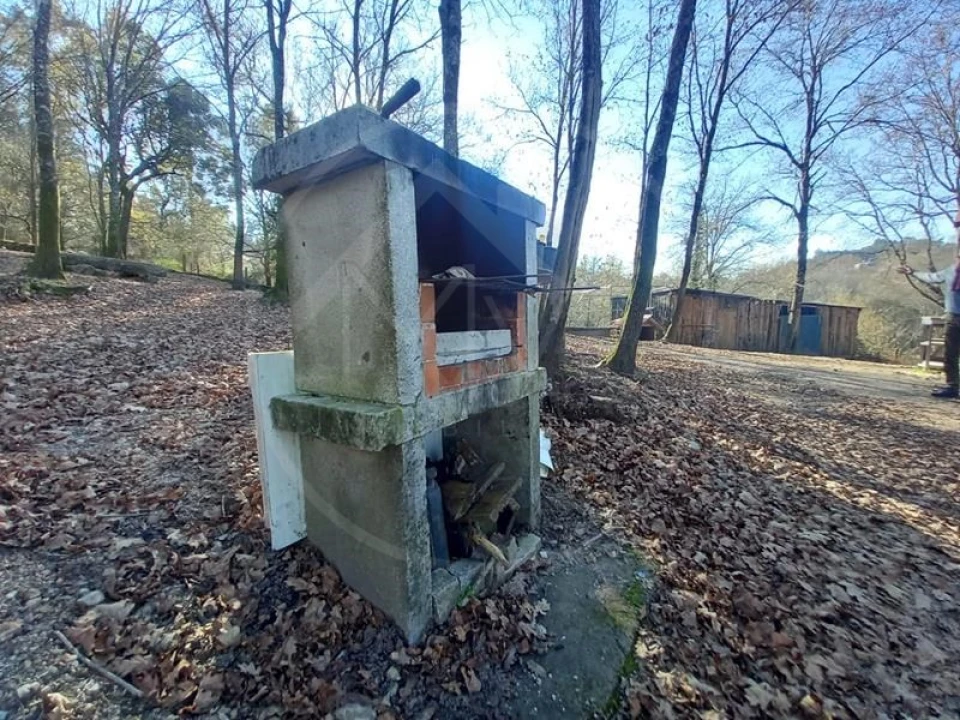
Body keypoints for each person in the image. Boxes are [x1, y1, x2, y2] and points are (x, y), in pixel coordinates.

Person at [899, 255, 960, 399]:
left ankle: (952, 386)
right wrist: (912, 272)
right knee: (950, 353)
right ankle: (952, 386)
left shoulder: (951, 271)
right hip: (953, 316)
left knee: (951, 354)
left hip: (953, 316)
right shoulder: (951, 271)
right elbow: (931, 277)